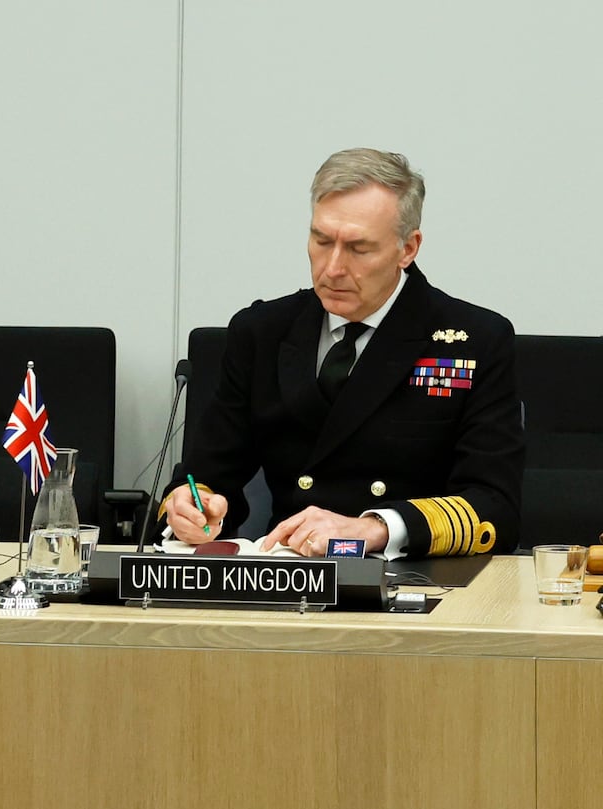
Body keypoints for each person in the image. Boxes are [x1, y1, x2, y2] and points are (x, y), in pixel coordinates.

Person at [164, 148, 523, 557]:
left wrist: (374, 528)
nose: (332, 268)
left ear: (408, 248)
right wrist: (194, 508)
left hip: (415, 582)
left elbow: (496, 507)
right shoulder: (262, 332)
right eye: (321, 241)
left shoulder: (473, 340)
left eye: (358, 248)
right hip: (287, 576)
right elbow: (208, 476)